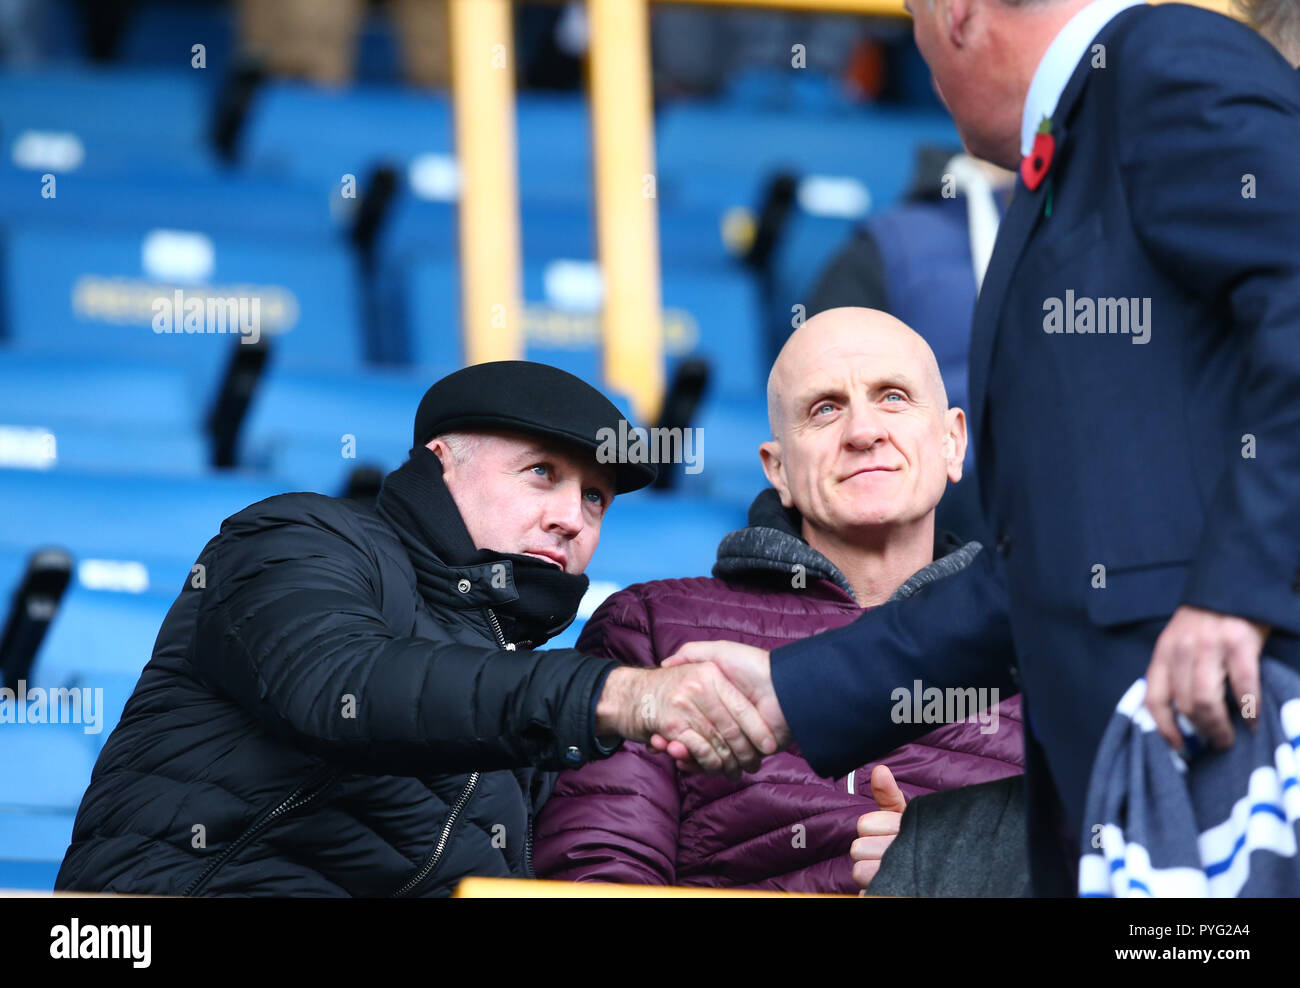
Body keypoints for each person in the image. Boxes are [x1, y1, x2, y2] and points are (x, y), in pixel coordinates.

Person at [659, 0, 1300, 896]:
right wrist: (790, 689)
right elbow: (1039, 569)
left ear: (954, 14)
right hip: (1146, 811)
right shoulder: (1070, 162)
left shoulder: (1169, 62)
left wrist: (1240, 585)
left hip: (1242, 756)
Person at [54, 361, 778, 897]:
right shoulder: (299, 536)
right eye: (540, 473)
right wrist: (613, 695)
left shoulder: (524, 681)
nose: (571, 516)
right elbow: (341, 687)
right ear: (442, 464)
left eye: (594, 498)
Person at [533, 308, 1024, 894]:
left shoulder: (1040, 642)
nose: (863, 431)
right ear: (778, 469)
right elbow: (600, 876)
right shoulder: (655, 629)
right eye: (825, 409)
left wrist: (941, 862)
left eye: (892, 397)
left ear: (952, 443)